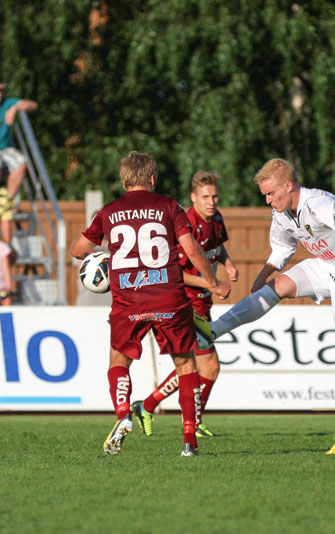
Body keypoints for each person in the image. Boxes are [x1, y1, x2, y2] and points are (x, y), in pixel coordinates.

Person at [200, 158, 335, 455]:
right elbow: (282, 249)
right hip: (328, 266)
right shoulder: (281, 213)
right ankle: (213, 330)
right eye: (265, 195)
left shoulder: (318, 203)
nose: (267, 200)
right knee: (276, 288)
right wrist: (263, 277)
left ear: (288, 186)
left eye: (271, 194)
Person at [70, 151, 231, 457]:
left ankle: (122, 414)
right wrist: (213, 282)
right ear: (153, 178)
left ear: (123, 180)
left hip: (128, 301)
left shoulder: (109, 211)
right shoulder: (169, 205)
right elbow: (192, 250)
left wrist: (105, 254)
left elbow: (79, 250)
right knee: (186, 365)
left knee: (119, 363)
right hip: (169, 298)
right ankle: (188, 443)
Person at [132, 170, 239, 439]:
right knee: (207, 366)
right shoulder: (186, 224)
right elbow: (176, 272)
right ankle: (173, 414)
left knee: (200, 367)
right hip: (186, 303)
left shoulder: (215, 218)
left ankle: (149, 407)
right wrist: (212, 283)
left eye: (214, 196)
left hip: (203, 304)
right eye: (205, 197)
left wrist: (228, 263)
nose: (211, 201)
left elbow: (218, 247)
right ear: (193, 197)